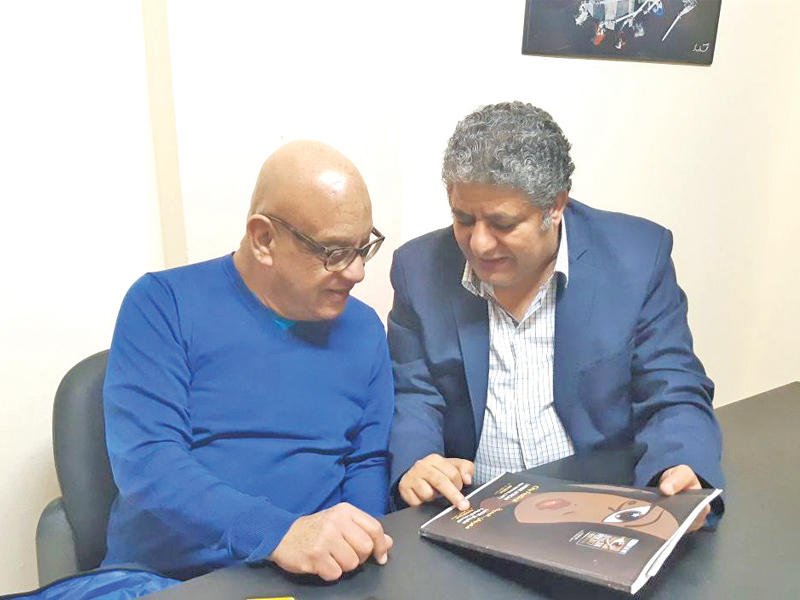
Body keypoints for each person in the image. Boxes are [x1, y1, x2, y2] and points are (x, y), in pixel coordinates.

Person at [387, 102, 724, 530]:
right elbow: (414, 394)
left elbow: (672, 387)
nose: (480, 244)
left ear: (556, 206)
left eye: (503, 223)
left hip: (600, 510)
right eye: (463, 219)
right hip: (472, 514)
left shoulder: (636, 258)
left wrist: (681, 467)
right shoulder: (418, 270)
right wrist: (419, 462)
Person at [102, 141, 394, 583]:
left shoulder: (364, 328)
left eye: (363, 247)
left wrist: (358, 555)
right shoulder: (163, 304)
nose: (357, 272)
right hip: (175, 578)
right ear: (263, 239)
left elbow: (366, 462)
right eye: (335, 252)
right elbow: (148, 463)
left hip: (312, 578)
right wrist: (280, 534)